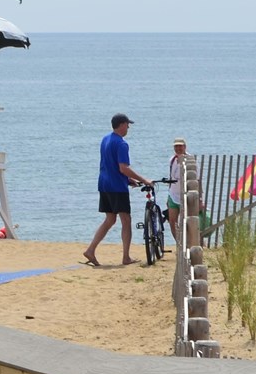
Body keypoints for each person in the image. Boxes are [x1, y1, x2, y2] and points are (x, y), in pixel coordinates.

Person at [83, 112, 151, 267]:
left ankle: (91, 250)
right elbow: (123, 167)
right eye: (127, 125)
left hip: (104, 183)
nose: (128, 128)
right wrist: (144, 180)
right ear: (121, 125)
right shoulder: (121, 144)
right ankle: (126, 257)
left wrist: (128, 180)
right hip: (116, 186)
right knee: (126, 220)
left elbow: (110, 164)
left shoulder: (105, 139)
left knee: (110, 219)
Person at [166, 138, 202, 236]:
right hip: (173, 195)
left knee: (187, 222)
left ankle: (190, 243)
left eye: (180, 146)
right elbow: (171, 177)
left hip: (186, 195)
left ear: (185, 147)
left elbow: (197, 180)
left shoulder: (191, 160)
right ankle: (178, 243)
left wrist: (200, 199)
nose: (178, 148)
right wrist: (168, 196)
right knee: (172, 221)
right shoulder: (172, 160)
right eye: (176, 146)